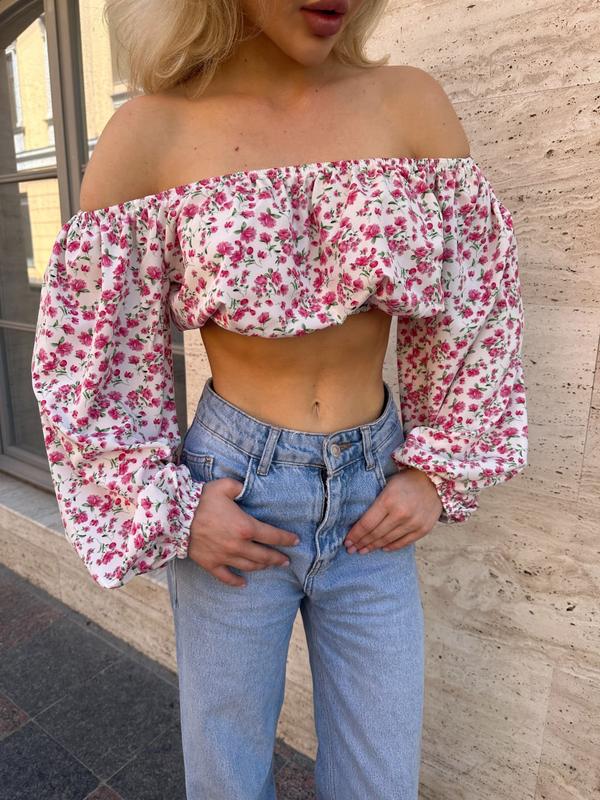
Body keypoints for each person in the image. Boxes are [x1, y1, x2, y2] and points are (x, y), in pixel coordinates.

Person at [31, 0, 529, 797]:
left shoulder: (409, 104)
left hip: (374, 499)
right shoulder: (150, 133)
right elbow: (94, 364)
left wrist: (437, 473)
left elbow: (474, 308)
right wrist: (172, 508)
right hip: (234, 495)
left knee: (381, 779)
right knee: (227, 777)